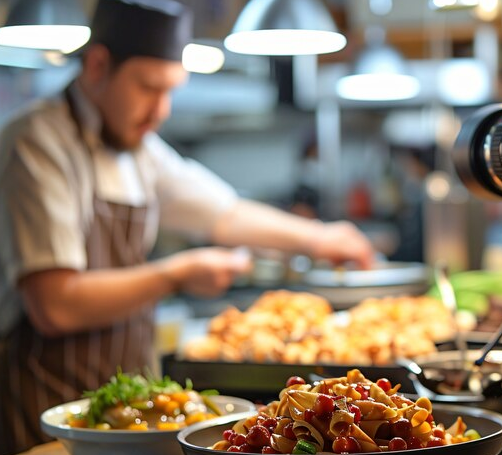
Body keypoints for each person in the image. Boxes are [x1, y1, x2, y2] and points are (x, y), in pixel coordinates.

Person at [0, 1, 374, 453]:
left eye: (170, 91)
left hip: (135, 411)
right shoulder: (37, 142)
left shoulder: (139, 149)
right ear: (98, 64)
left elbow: (225, 214)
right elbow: (54, 304)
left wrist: (322, 239)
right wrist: (177, 273)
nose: (161, 110)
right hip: (48, 409)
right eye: (147, 88)